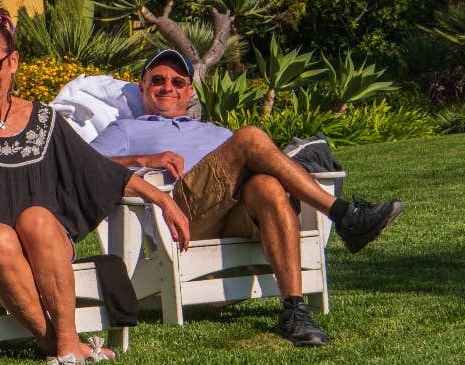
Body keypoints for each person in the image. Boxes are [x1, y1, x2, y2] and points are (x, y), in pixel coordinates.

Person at [0, 0, 190, 365]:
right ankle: (57, 342)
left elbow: (98, 169)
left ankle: (66, 343)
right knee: (0, 235)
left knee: (35, 217)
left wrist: (163, 201)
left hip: (45, 240)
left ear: (13, 62)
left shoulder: (43, 119)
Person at [90, 49, 404, 347]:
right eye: (158, 80)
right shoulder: (126, 129)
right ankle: (345, 215)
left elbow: (259, 160)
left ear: (188, 93)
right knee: (250, 136)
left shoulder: (215, 132)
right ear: (142, 86)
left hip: (234, 214)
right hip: (180, 214)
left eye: (177, 82)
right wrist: (145, 159)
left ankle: (294, 311)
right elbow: (81, 166)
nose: (167, 87)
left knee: (267, 185)